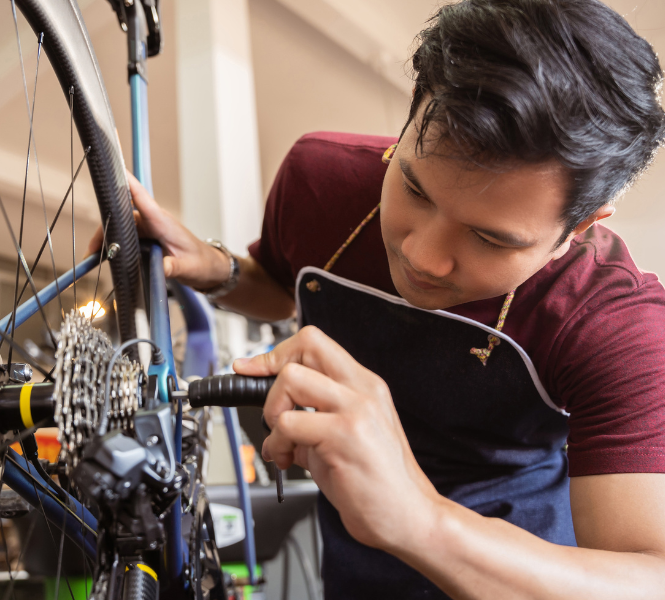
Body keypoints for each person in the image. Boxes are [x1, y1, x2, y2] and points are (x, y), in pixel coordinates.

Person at [94, 0, 665, 597]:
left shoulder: (614, 323)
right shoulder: (320, 182)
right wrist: (218, 269)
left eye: (489, 238)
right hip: (355, 561)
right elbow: (281, 283)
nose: (421, 256)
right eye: (415, 189)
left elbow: (647, 577)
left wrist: (420, 518)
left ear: (578, 228)